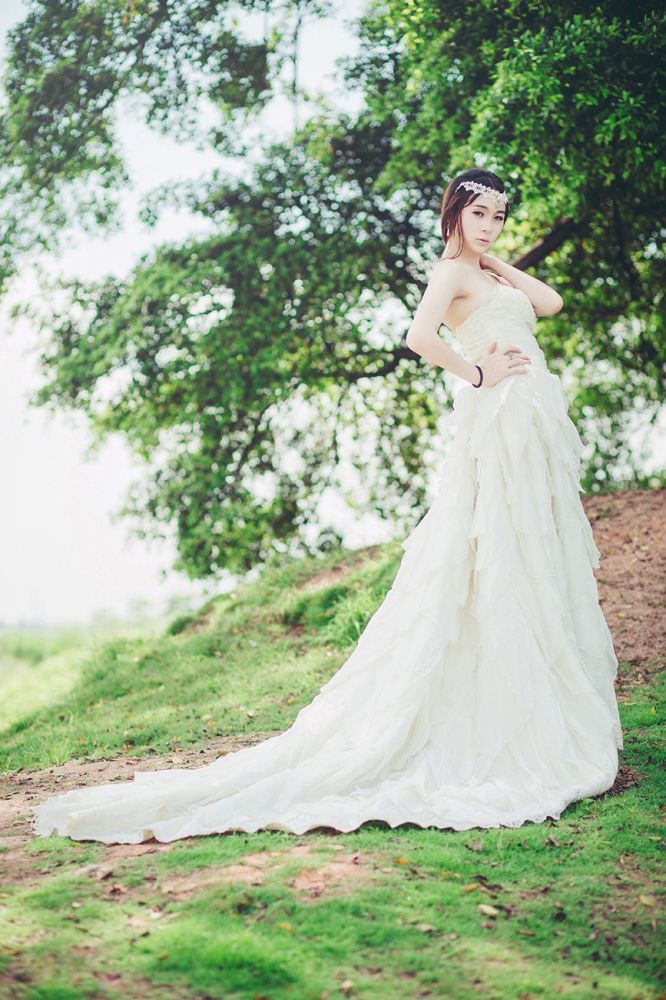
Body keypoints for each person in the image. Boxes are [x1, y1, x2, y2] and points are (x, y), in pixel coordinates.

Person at [31, 169, 623, 845]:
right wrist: (478, 372)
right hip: (498, 416)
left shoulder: (484, 271)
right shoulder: (448, 275)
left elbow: (549, 303)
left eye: (498, 215)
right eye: (478, 213)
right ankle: (498, 709)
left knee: (536, 545)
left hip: (530, 418)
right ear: (454, 212)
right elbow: (420, 337)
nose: (489, 225)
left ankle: (537, 694)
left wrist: (491, 259)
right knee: (495, 544)